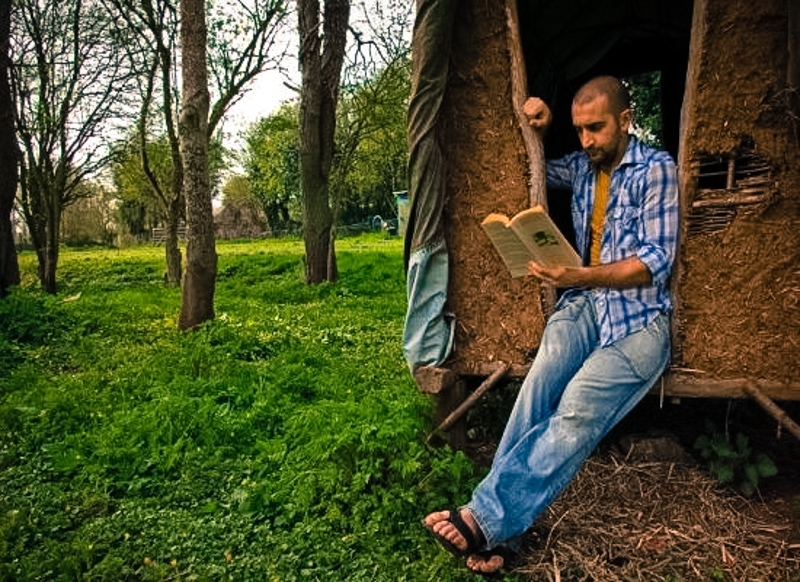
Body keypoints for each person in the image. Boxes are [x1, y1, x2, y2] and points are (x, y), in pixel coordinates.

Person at [423, 75, 679, 575]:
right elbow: (536, 168)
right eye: (579, 130)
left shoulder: (657, 170)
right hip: (585, 305)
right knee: (538, 387)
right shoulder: (585, 167)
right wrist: (536, 127)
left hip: (639, 321)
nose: (586, 142)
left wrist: (577, 274)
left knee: (577, 408)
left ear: (626, 121)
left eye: (596, 129)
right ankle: (502, 533)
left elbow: (654, 262)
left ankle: (485, 519)